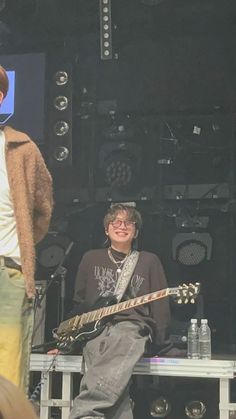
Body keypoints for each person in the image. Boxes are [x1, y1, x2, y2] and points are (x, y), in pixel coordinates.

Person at [68, 203, 172, 419]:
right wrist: (69, 342)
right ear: (106, 229)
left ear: (136, 231)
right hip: (96, 329)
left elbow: (161, 307)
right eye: (115, 221)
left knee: (124, 335)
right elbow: (80, 303)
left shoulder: (149, 260)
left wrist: (160, 344)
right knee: (113, 377)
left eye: (128, 222)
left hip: (133, 326)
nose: (121, 226)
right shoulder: (90, 258)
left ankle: (86, 411)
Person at [0, 65, 53, 394]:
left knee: (8, 375)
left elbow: (43, 209)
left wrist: (22, 249)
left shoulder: (23, 149)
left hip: (8, 271)